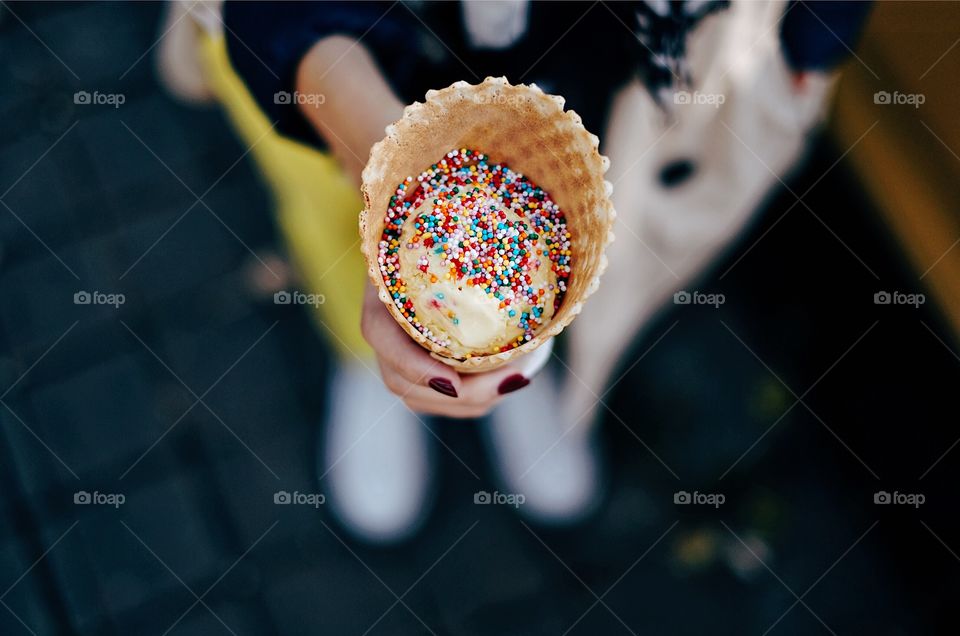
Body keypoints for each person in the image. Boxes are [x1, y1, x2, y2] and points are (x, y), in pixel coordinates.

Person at [158, 0, 871, 543]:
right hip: (344, 44)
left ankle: (521, 362)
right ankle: (363, 355)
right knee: (333, 213)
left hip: (613, 38)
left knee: (592, 202)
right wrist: (381, 161)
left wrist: (818, 28)